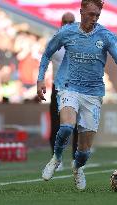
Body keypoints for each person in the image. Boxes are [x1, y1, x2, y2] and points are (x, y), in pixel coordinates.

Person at [37, 0, 117, 190]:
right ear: (81, 12)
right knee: (66, 127)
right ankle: (56, 158)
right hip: (69, 86)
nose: (94, 18)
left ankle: (78, 168)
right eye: (91, 14)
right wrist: (40, 80)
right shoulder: (67, 32)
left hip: (93, 93)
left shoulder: (104, 34)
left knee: (84, 151)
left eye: (97, 15)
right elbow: (47, 53)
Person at [49, 12, 78, 171]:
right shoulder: (55, 41)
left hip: (76, 88)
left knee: (77, 125)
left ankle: (76, 159)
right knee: (56, 125)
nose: (67, 24)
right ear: (61, 23)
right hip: (59, 88)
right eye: (65, 21)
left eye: (70, 21)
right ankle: (56, 158)